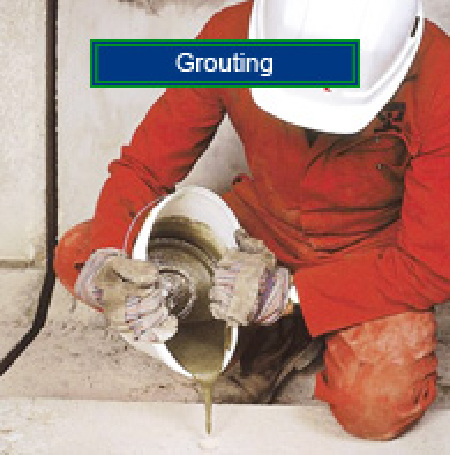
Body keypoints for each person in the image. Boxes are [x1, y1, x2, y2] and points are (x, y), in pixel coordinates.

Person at [54, 0, 450, 440]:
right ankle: (276, 336)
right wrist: (109, 254)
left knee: (377, 405)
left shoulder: (440, 76)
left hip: (371, 255)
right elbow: (143, 169)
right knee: (80, 255)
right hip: (260, 237)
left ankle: (288, 317)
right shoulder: (230, 40)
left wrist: (294, 294)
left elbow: (430, 265)